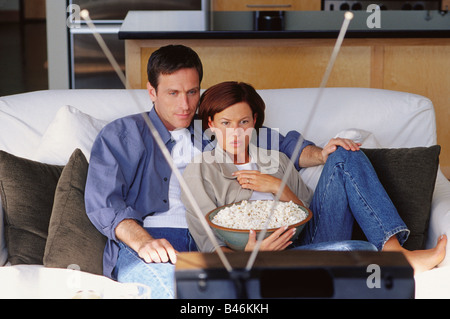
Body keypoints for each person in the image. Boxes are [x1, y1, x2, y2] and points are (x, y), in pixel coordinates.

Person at [85, 45, 446, 299]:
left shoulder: (217, 126)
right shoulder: (123, 134)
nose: (184, 104)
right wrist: (140, 240)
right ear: (151, 91)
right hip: (158, 238)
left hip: (230, 236)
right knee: (160, 289)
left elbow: (285, 145)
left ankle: (389, 251)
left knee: (344, 164)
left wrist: (321, 152)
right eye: (172, 93)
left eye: (193, 92)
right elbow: (102, 201)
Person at [181, 81, 447, 273]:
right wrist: (251, 254)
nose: (236, 133)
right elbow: (210, 245)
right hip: (252, 259)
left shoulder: (277, 161)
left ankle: (394, 252)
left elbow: (308, 217)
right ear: (211, 125)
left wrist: (278, 187)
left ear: (255, 121)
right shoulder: (201, 170)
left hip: (305, 243)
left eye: (244, 123)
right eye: (226, 123)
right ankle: (347, 256)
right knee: (356, 247)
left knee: (344, 153)